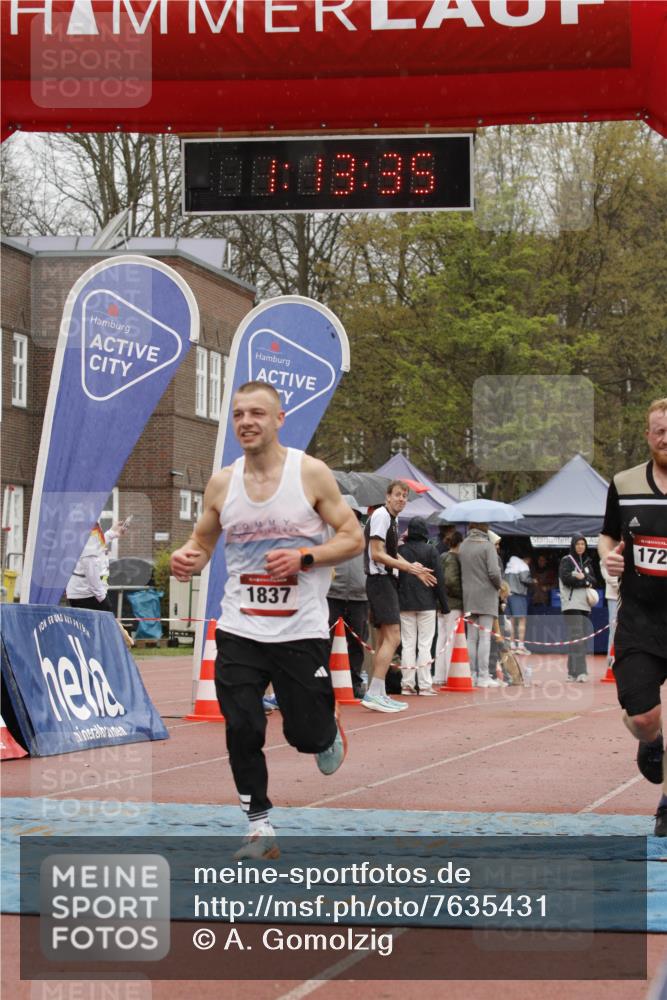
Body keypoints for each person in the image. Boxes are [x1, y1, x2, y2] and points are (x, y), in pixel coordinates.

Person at [170, 380, 363, 859]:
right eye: (239, 414)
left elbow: (352, 537)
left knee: (305, 736)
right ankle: (259, 827)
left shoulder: (309, 473)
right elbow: (203, 541)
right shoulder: (223, 483)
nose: (246, 422)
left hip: (300, 628)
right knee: (242, 726)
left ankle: (325, 727)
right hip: (240, 626)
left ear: (279, 420)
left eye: (257, 413)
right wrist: (188, 557)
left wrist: (305, 557)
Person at [598, 397, 667, 837]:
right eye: (659, 430)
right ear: (647, 435)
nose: (666, 438)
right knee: (644, 719)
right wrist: (609, 558)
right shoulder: (624, 483)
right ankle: (651, 741)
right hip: (641, 621)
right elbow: (606, 536)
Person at [362, 480, 436, 713]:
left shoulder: (392, 520)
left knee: (385, 639)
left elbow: (391, 554)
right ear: (388, 497)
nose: (402, 499)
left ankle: (378, 692)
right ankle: (374, 693)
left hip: (385, 581)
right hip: (380, 581)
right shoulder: (382, 516)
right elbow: (376, 553)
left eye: (405, 496)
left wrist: (415, 569)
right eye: (398, 494)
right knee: (394, 638)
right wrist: (408, 568)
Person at [397, 516, 448, 696]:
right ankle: (425, 685)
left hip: (404, 602)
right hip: (427, 603)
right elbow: (438, 580)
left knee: (408, 644)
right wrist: (444, 605)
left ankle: (407, 685)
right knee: (425, 645)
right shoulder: (431, 550)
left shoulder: (400, 550)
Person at [327, 494, 369, 700]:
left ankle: (355, 682)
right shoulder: (329, 532)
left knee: (357, 642)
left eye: (353, 513)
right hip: (332, 594)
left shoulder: (365, 534)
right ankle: (324, 682)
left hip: (359, 596)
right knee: (326, 640)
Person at [458, 522, 503, 688]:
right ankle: (483, 676)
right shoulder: (488, 546)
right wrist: (499, 586)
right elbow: (494, 572)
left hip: (468, 596)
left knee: (471, 637)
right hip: (486, 596)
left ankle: (472, 674)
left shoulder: (463, 545)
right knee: (484, 637)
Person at [558, 534, 597, 682]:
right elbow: (566, 579)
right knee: (577, 637)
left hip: (585, 605)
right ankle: (581, 672)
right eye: (578, 544)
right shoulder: (566, 560)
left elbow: (594, 580)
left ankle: (572, 672)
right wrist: (584, 582)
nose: (580, 546)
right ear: (573, 545)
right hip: (571, 604)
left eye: (583, 544)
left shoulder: (587, 562)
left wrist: (584, 580)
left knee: (581, 638)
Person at [66, 519, 127, 612]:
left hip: (86, 592)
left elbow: (96, 547)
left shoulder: (90, 522)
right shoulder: (88, 523)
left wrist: (112, 533)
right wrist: (101, 597)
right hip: (87, 594)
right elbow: (89, 562)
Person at [434, 530, 464, 686]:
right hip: (453, 604)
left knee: (442, 638)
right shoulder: (454, 559)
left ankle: (439, 674)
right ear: (459, 543)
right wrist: (463, 594)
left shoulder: (442, 557)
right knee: (451, 640)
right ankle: (448, 674)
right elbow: (451, 581)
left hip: (441, 604)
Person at [504, 552, 533, 654]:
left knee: (511, 621)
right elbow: (525, 579)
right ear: (527, 559)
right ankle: (520, 647)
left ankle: (512, 645)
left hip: (507, 595)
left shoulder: (509, 564)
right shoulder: (523, 565)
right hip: (518, 595)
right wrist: (533, 581)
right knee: (522, 620)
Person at [600, 559, 620, 663]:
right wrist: (622, 584)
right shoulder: (607, 555)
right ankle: (611, 661)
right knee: (614, 630)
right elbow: (608, 576)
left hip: (629, 597)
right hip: (613, 597)